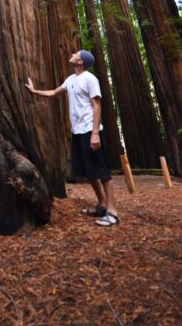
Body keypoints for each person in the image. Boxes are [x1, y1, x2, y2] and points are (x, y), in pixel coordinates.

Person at [25, 50, 120, 227]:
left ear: (81, 62)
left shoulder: (90, 79)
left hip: (91, 131)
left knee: (103, 172)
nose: (73, 54)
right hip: (77, 132)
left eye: (76, 54)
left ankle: (112, 212)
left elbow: (97, 105)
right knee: (88, 171)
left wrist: (94, 134)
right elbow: (54, 93)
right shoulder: (70, 80)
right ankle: (101, 205)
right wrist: (33, 91)